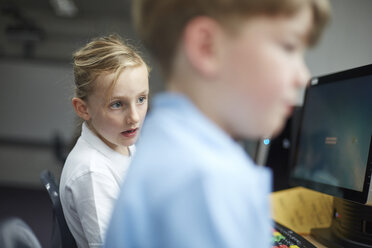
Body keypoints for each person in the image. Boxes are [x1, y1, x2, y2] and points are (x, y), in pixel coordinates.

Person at [105, 0, 330, 247]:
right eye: (289, 47)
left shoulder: (165, 142)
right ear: (207, 47)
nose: (304, 77)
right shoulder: (209, 179)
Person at [59, 34, 149, 248]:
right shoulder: (93, 173)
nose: (134, 117)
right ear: (83, 108)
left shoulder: (120, 145)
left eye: (141, 99)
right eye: (117, 104)